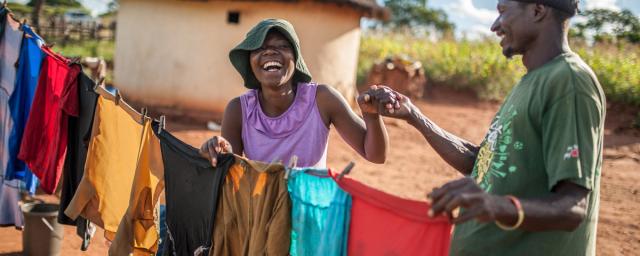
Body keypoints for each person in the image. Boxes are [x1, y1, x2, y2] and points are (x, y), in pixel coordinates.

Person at [371, 0, 605, 255]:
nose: (495, 26)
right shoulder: (532, 81)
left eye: (502, 11)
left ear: (538, 10)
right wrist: (414, 116)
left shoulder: (569, 82)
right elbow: (483, 163)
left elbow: (573, 208)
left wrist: (496, 205)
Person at [200, 18, 391, 168]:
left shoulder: (322, 99)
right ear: (250, 62)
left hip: (310, 210)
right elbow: (227, 169)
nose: (269, 52)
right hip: (261, 212)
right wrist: (218, 150)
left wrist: (372, 117)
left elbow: (376, 155)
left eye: (282, 46)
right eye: (259, 48)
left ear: (296, 58)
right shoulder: (239, 110)